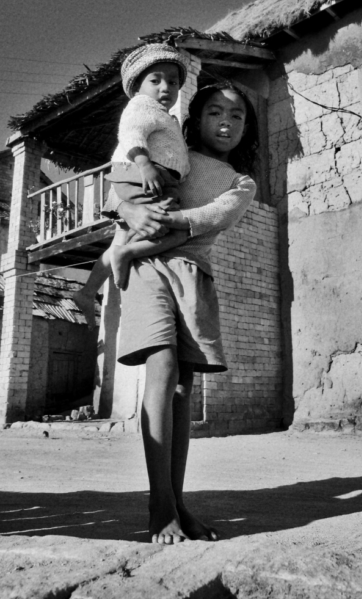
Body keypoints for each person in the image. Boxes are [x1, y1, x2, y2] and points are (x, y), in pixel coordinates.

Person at [114, 82, 258, 544]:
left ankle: (176, 502)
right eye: (215, 111)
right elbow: (122, 185)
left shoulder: (241, 184)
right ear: (195, 118)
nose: (226, 122)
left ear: (247, 128)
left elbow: (209, 219)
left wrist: (155, 223)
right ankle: (160, 506)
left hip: (193, 274)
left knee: (182, 387)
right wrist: (128, 211)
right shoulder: (175, 156)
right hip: (149, 268)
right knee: (162, 365)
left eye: (236, 116)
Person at [73, 42, 191, 327]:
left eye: (173, 82)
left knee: (122, 236)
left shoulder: (165, 116)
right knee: (178, 231)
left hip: (144, 177)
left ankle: (87, 292)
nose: (165, 88)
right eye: (155, 81)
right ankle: (128, 256)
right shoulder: (142, 106)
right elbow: (132, 133)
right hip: (144, 175)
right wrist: (144, 163)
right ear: (137, 86)